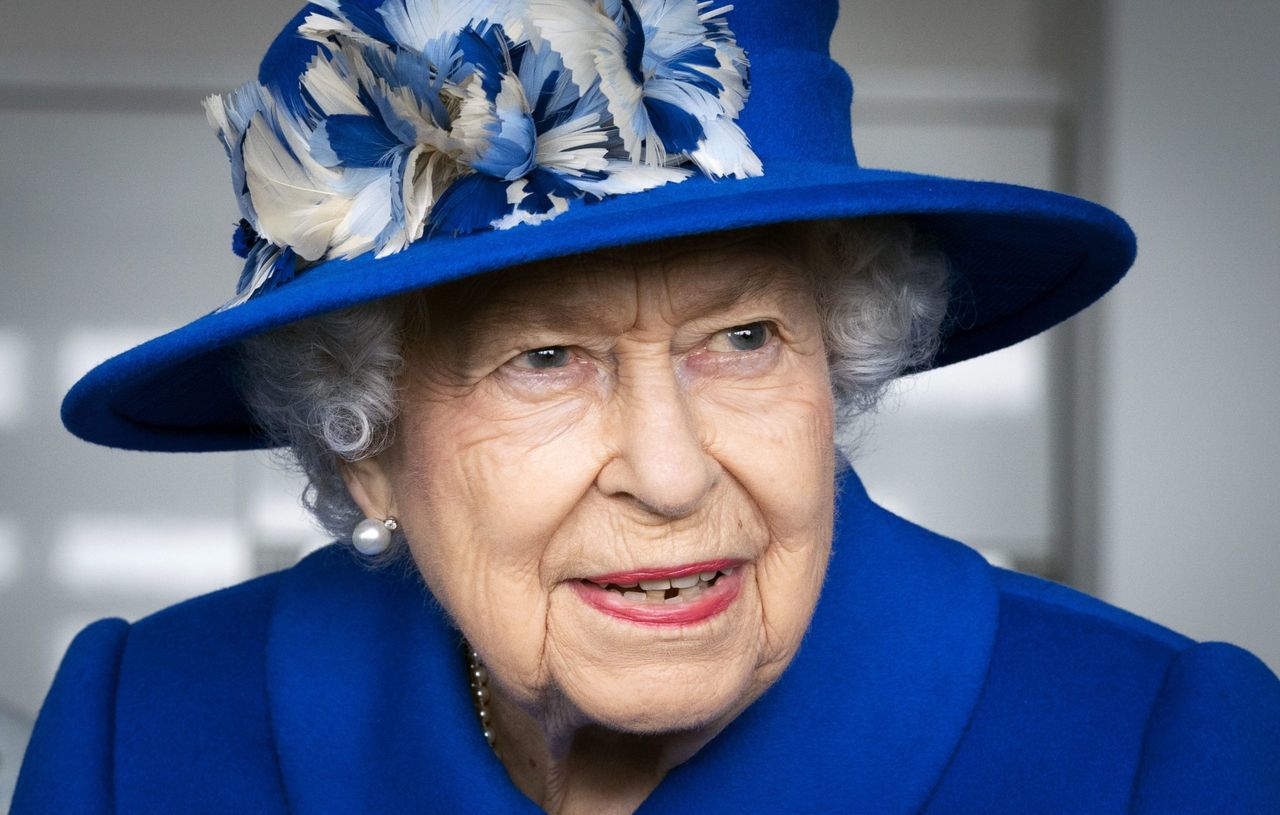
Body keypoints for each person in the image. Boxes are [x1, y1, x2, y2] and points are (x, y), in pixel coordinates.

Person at [12, 0, 1280, 812]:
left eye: (741, 337)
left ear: (834, 367)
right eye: (543, 359)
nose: (670, 476)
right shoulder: (145, 734)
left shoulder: (1148, 751)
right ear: (366, 450)